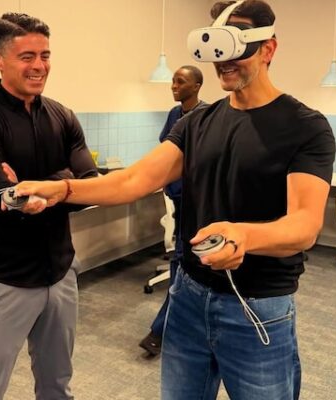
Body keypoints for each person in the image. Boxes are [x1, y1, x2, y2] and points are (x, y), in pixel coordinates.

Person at [13, 1, 336, 399]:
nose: (224, 63)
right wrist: (63, 190)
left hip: (257, 307)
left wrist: (245, 236)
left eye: (236, 49)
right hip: (188, 297)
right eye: (218, 51)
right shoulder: (196, 123)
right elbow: (134, 180)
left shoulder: (305, 127)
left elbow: (304, 226)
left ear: (268, 49)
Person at [0, 13, 97, 400]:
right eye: (27, 56)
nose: (39, 66)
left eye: (45, 55)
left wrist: (37, 188)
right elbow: (4, 200)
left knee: (57, 386)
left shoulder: (63, 117)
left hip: (60, 275)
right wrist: (63, 183)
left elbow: (91, 186)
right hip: (1, 282)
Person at [139, 65, 207, 356]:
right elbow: (166, 152)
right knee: (182, 267)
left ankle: (159, 332)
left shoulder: (206, 116)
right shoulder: (174, 115)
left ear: (197, 86)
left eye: (181, 81)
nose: (174, 86)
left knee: (183, 266)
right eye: (173, 80)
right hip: (178, 201)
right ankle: (175, 328)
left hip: (198, 205)